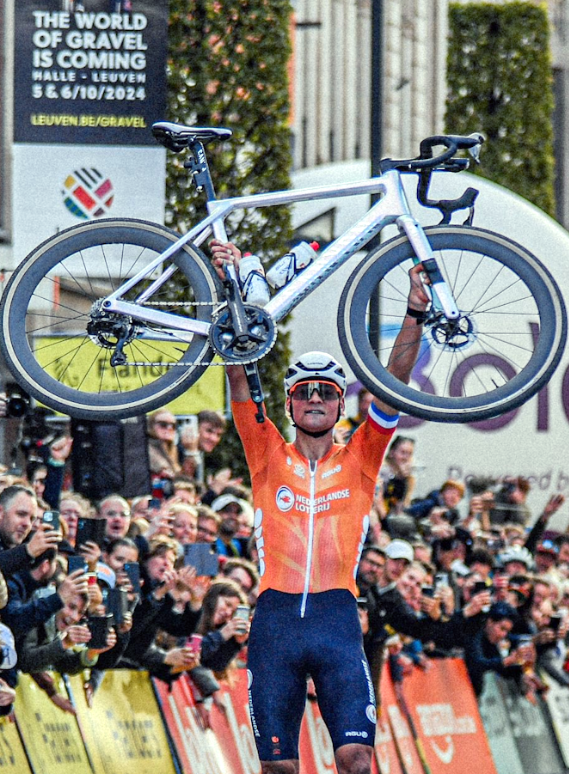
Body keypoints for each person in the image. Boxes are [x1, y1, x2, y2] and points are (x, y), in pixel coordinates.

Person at [209, 239, 428, 774]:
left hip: (336, 621)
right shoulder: (265, 452)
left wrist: (415, 314)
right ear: (289, 402)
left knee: (356, 759)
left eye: (325, 393)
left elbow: (393, 386)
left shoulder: (361, 457)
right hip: (274, 623)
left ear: (337, 404)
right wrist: (226, 283)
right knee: (279, 770)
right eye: (304, 392)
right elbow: (237, 370)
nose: (313, 399)